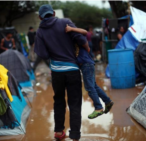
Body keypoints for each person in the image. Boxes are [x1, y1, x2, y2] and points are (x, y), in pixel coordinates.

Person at [34, 4, 90, 141]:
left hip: (56, 73)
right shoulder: (65, 22)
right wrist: (87, 49)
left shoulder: (40, 32)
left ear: (40, 17)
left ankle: (59, 132)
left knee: (58, 101)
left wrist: (52, 54)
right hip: (72, 70)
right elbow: (80, 38)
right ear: (53, 13)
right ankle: (75, 135)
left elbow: (42, 53)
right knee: (75, 102)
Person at [66, 25, 114, 119]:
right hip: (86, 64)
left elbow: (84, 32)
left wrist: (71, 29)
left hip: (86, 64)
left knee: (89, 87)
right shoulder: (70, 39)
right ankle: (107, 101)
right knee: (94, 86)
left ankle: (98, 108)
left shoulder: (74, 35)